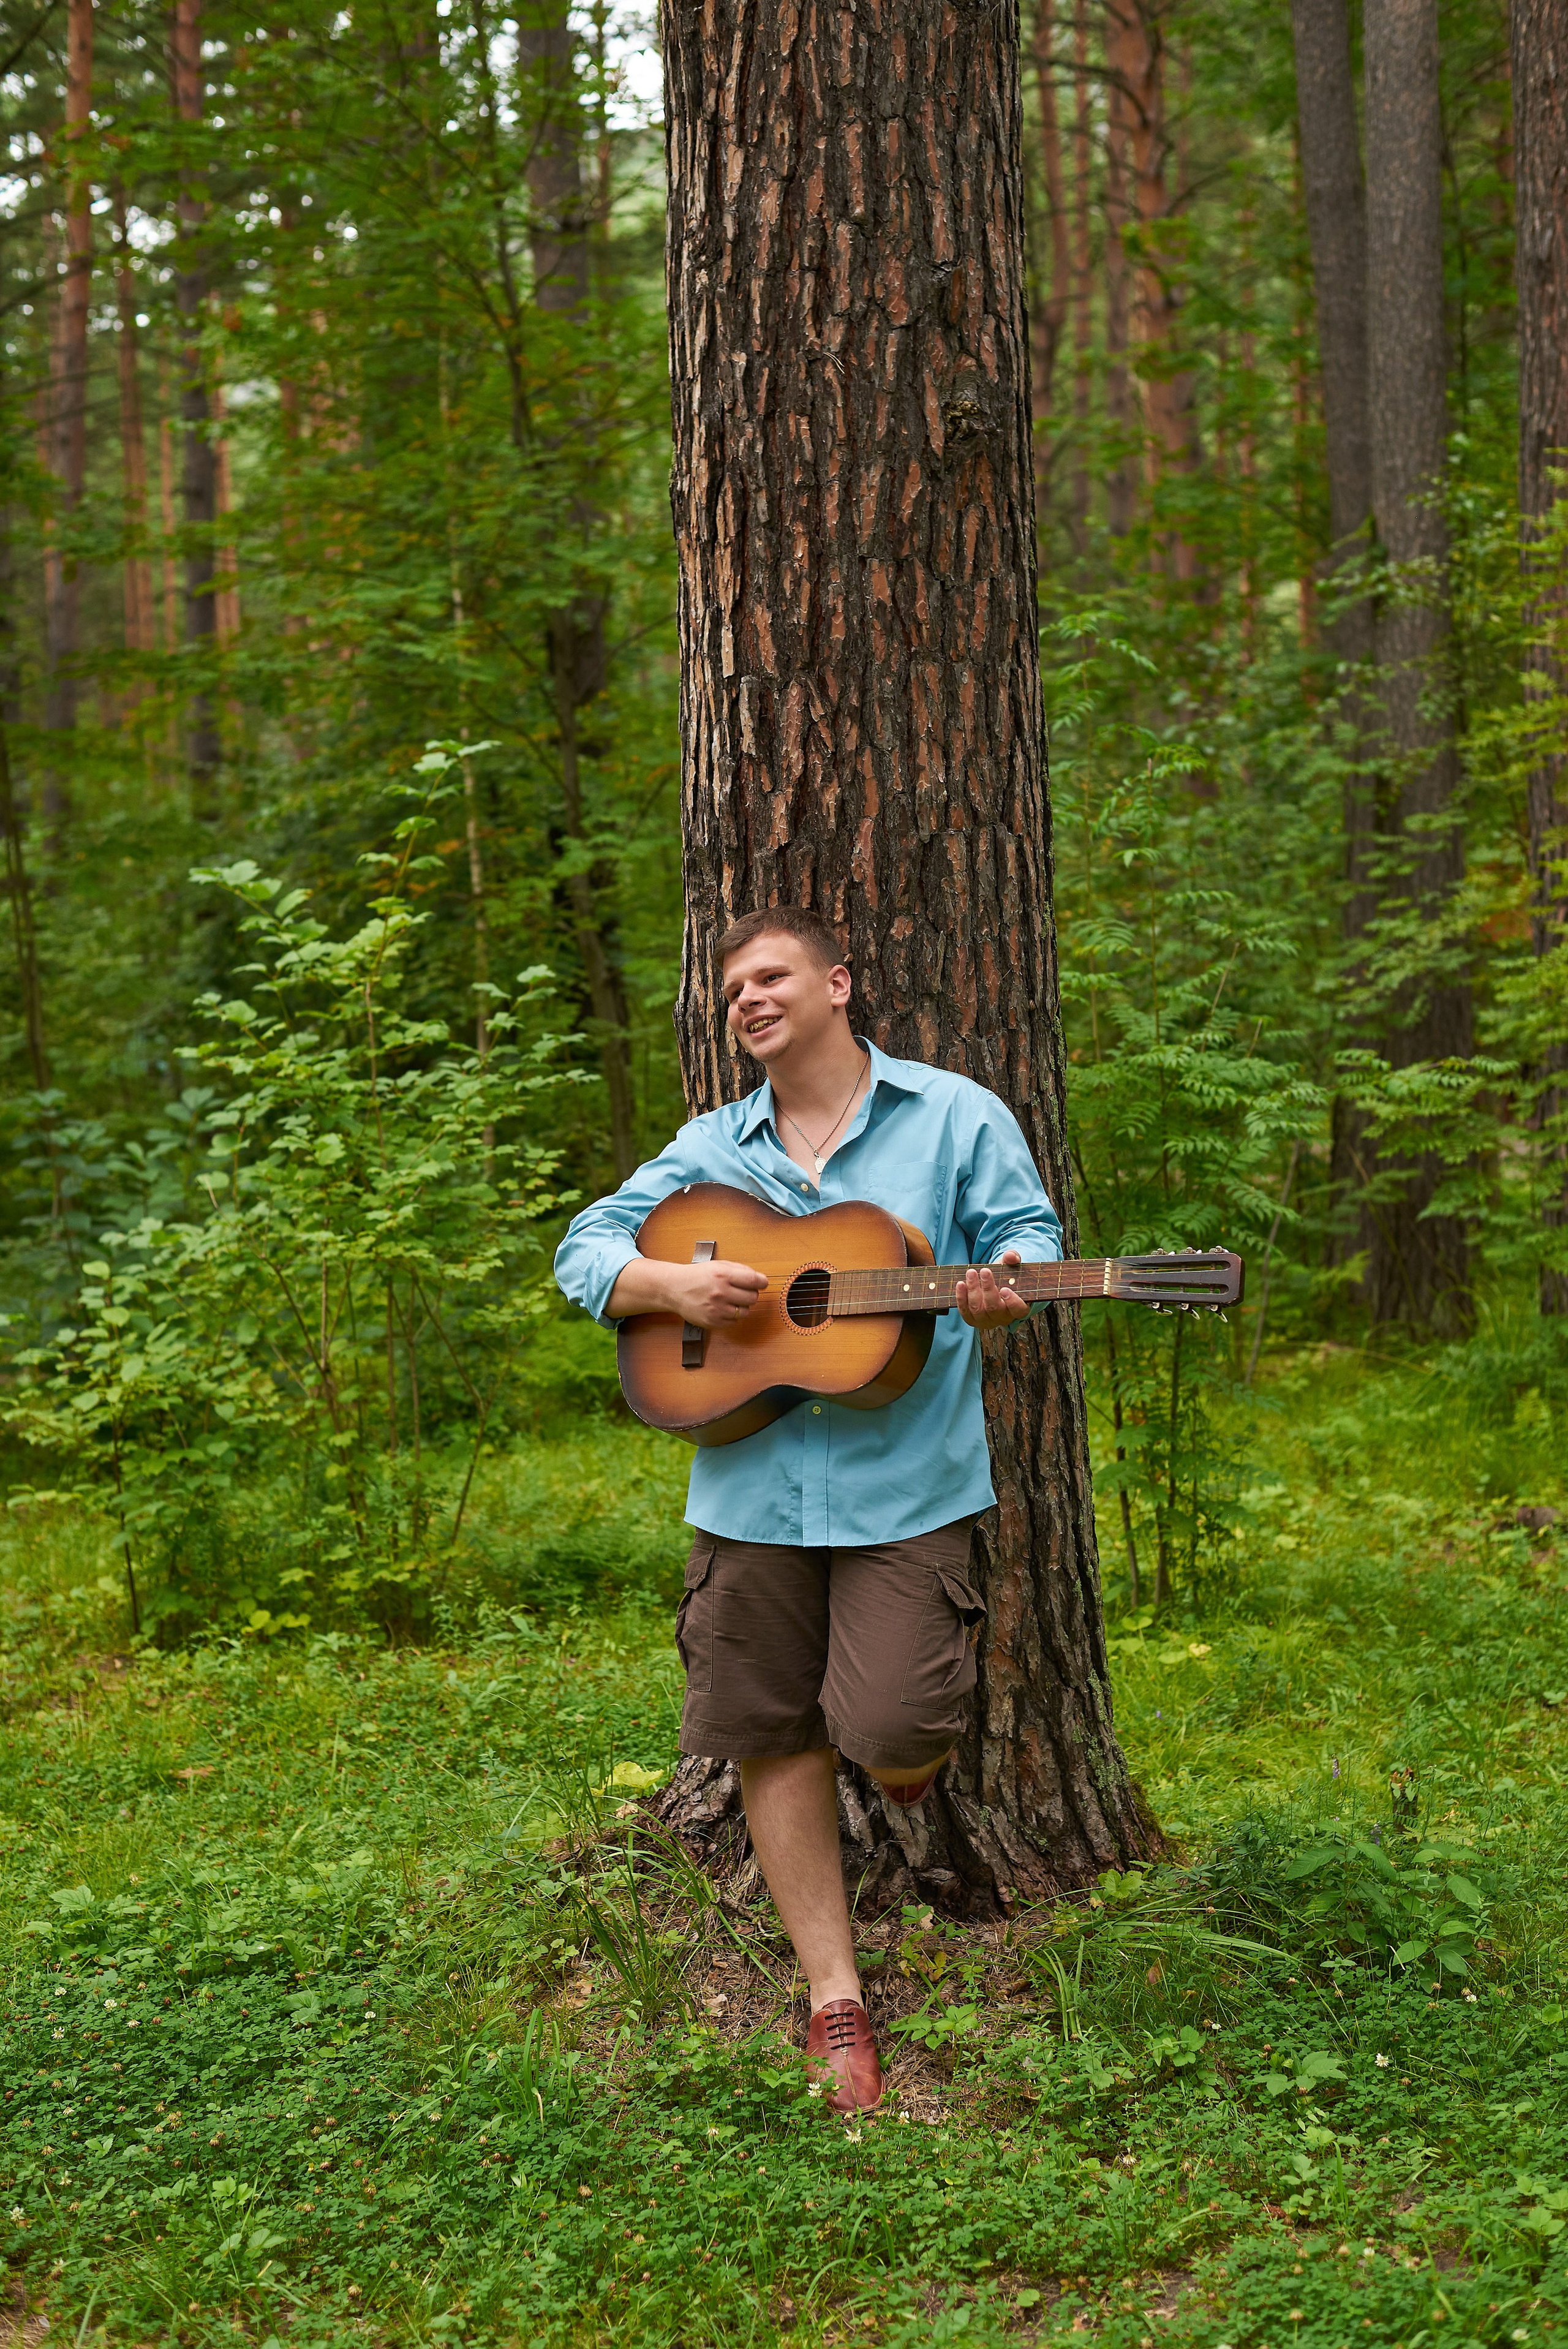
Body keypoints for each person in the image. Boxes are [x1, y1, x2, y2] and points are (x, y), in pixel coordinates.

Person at [553, 907, 1062, 2112]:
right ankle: (835, 1999)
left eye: (769, 974)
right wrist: (670, 1280)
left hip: (906, 1488)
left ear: (836, 984)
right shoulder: (710, 1145)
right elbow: (585, 1247)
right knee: (770, 1731)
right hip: (749, 1494)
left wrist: (1005, 1293)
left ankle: (896, 1766)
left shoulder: (952, 1115)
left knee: (889, 1724)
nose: (747, 997)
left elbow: (1029, 1245)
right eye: (731, 987)